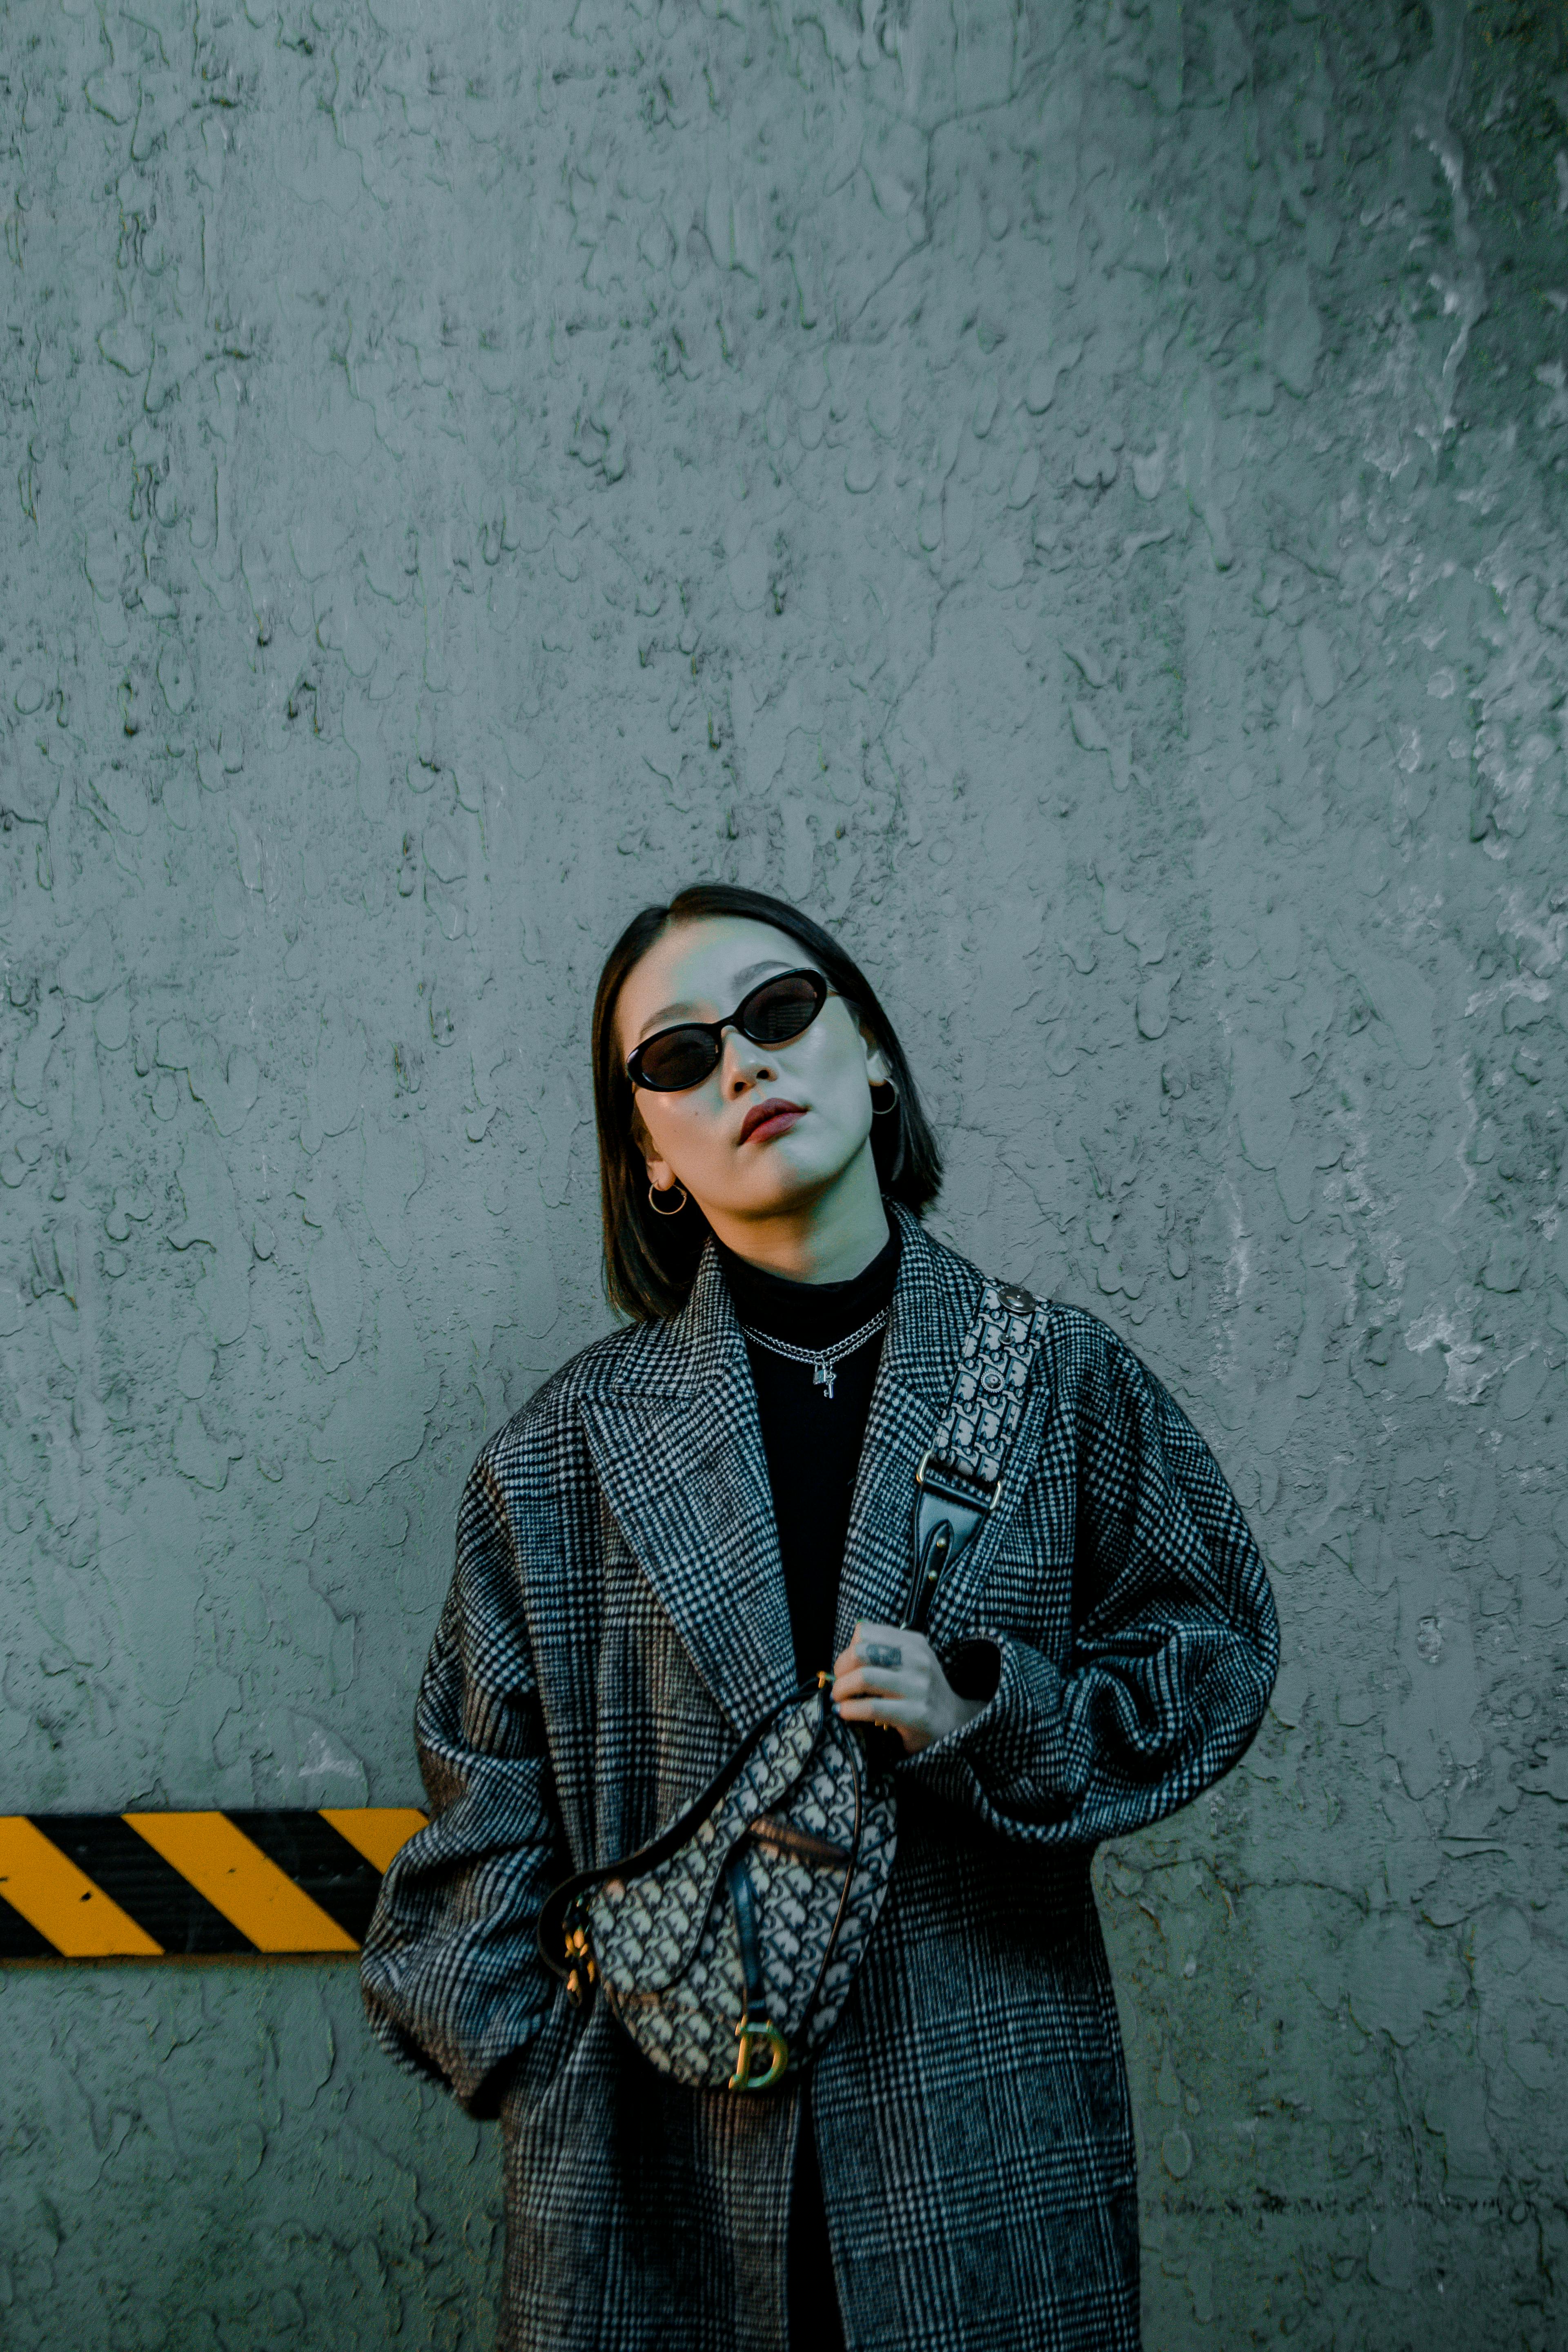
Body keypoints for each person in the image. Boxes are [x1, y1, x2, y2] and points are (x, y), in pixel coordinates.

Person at [361, 881, 1279, 2352]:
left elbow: (1210, 1656)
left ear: (872, 1060)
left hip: (981, 2138)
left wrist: (991, 1712)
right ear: (652, 1157)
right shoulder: (559, 1457)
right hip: (656, 2173)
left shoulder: (1051, 1378)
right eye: (676, 1058)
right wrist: (554, 2065)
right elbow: (480, 1816)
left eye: (780, 1013)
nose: (741, 1065)